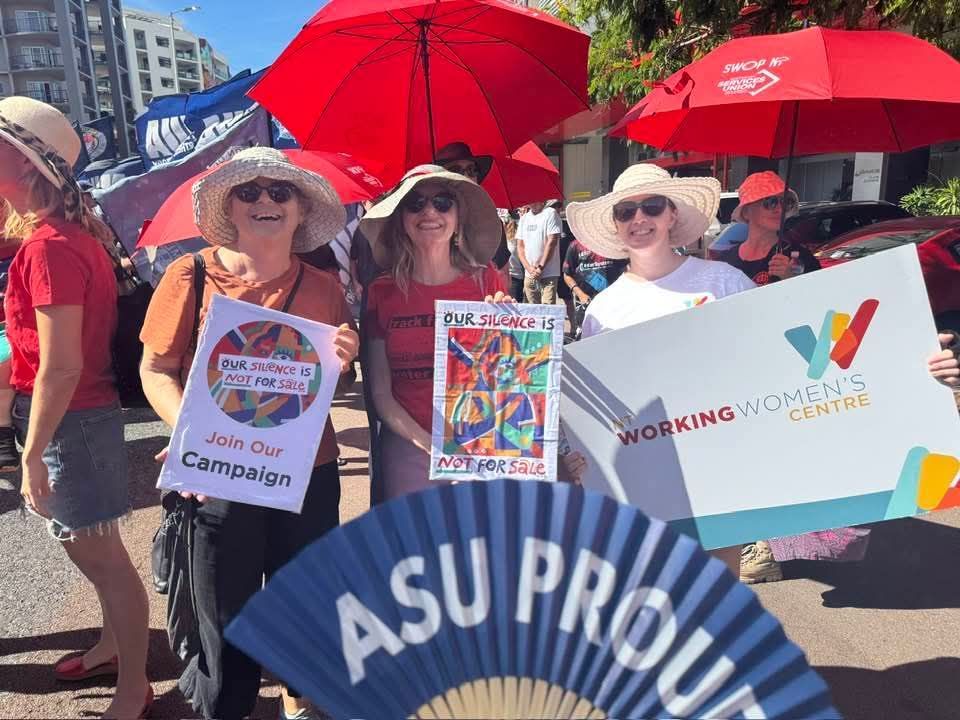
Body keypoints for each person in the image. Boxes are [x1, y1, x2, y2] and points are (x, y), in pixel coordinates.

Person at [139, 147, 360, 720]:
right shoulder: (187, 275)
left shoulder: (324, 287)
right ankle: (226, 708)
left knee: (301, 598)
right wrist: (190, 434)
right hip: (219, 473)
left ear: (299, 209)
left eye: (279, 192)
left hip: (308, 472)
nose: (265, 201)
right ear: (229, 207)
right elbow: (155, 371)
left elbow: (320, 389)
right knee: (223, 612)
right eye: (250, 191)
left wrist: (343, 361)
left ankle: (297, 698)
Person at [0, 97, 150, 718]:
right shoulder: (66, 237)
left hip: (69, 418)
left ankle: (135, 685)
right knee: (89, 545)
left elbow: (62, 365)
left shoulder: (49, 247)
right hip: (75, 414)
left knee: (101, 555)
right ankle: (115, 646)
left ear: (30, 167)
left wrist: (31, 452)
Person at [564, 163, 754, 574]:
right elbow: (592, 408)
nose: (639, 219)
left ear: (672, 215)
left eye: (651, 206)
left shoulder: (724, 283)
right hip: (640, 480)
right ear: (615, 226)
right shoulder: (603, 309)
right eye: (625, 211)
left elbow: (771, 361)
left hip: (716, 470)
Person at [361, 164, 509, 501]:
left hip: (481, 447)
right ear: (401, 218)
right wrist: (430, 445)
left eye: (442, 202)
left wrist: (510, 332)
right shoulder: (382, 292)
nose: (429, 211)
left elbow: (510, 380)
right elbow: (382, 393)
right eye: (415, 203)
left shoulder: (487, 281)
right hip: (410, 448)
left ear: (458, 217)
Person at [716, 171, 819, 285]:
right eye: (770, 202)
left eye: (785, 202)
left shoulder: (800, 258)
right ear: (746, 212)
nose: (780, 209)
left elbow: (818, 298)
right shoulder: (726, 260)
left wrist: (790, 279)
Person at [562, 237, 628, 339]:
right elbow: (567, 275)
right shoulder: (575, 246)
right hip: (585, 306)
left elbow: (626, 270)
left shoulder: (614, 245)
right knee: (585, 343)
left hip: (613, 305)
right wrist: (580, 294)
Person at [516, 199, 562, 305]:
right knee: (533, 311)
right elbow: (520, 246)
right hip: (530, 273)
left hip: (548, 272)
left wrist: (541, 267)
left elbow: (552, 241)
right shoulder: (524, 218)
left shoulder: (550, 213)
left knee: (547, 309)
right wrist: (528, 268)